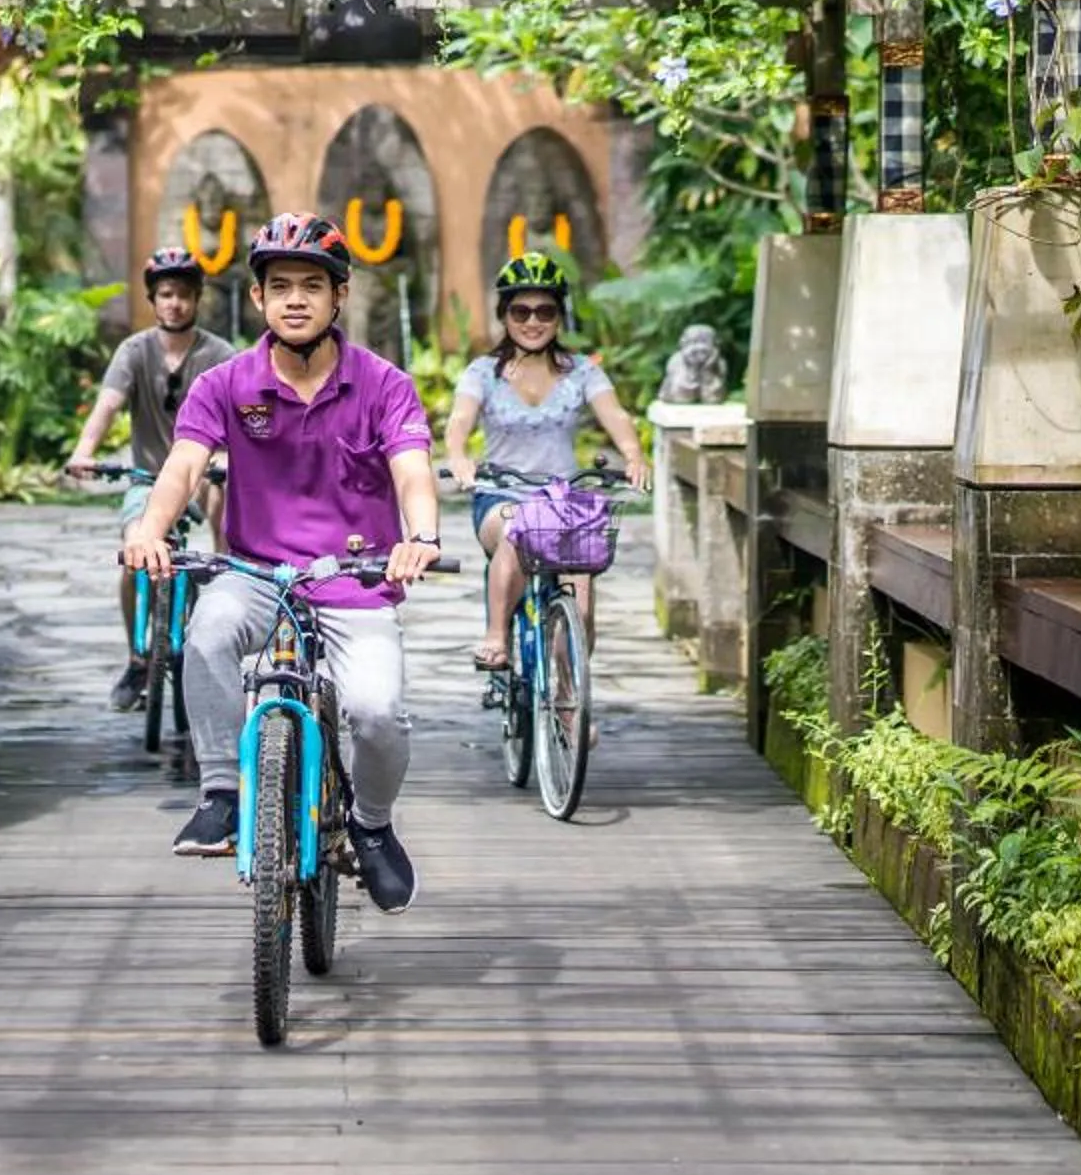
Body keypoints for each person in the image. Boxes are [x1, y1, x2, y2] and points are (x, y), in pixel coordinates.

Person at [122, 213, 442, 911]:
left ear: (339, 296)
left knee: (377, 712)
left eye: (312, 286)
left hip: (354, 581)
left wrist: (421, 535)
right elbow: (183, 467)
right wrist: (150, 530)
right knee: (207, 632)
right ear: (258, 298)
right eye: (281, 286)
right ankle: (221, 793)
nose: (296, 299)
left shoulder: (384, 384)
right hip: (257, 574)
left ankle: (371, 825)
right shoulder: (225, 384)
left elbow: (413, 468)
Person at [441, 251, 649, 672]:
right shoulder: (483, 372)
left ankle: (571, 694)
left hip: (564, 499)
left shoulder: (582, 371)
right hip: (501, 496)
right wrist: (459, 457)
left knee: (582, 588)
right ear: (504, 315)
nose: (533, 321)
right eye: (521, 311)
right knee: (518, 527)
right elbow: (460, 420)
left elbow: (615, 415)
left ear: (559, 316)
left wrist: (634, 455)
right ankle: (497, 636)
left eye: (545, 311)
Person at [67, 244, 239, 711]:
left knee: (224, 499)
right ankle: (137, 658)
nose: (175, 303)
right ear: (153, 299)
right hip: (147, 477)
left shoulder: (219, 354)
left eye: (183, 294)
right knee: (134, 554)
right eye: (166, 294)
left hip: (203, 473)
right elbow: (107, 404)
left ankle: (224, 585)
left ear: (197, 298)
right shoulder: (134, 351)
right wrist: (84, 451)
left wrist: (225, 460)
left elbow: (237, 415)